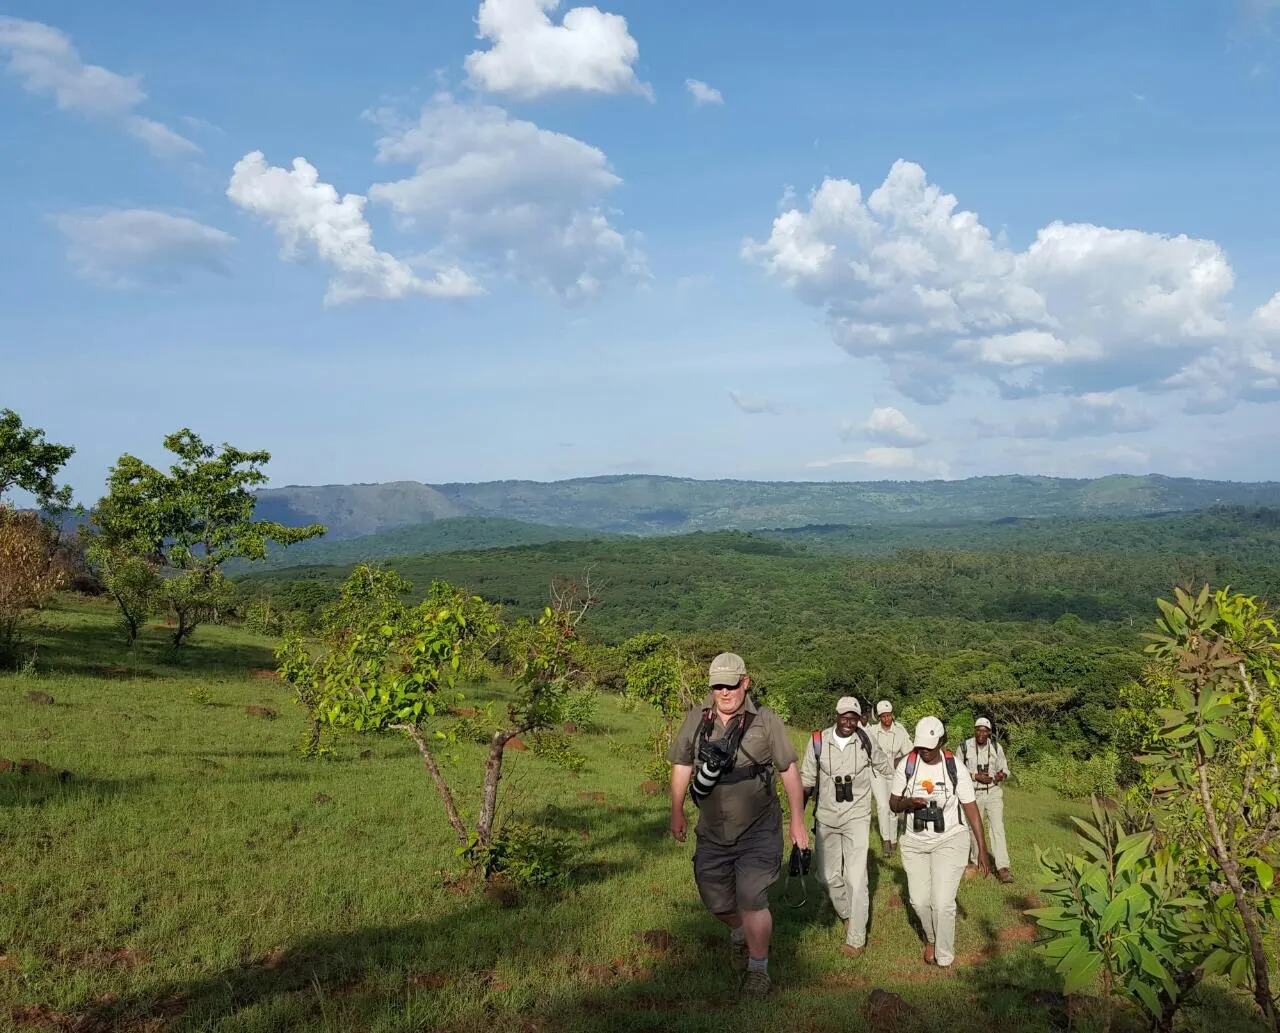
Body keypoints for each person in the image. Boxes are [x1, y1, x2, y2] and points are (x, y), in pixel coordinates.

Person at [668, 652, 809, 998]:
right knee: (714, 898)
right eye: (717, 686)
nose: (724, 692)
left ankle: (758, 970)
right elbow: (683, 764)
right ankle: (738, 933)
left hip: (759, 827)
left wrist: (798, 822)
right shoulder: (697, 720)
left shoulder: (766, 720)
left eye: (731, 685)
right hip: (714, 829)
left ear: (745, 683)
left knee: (753, 898)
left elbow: (788, 770)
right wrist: (676, 810)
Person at [890, 716, 991, 968]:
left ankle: (945, 958)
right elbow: (893, 804)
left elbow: (971, 808)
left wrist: (982, 850)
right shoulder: (908, 764)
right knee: (919, 901)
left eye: (929, 747)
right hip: (915, 841)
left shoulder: (954, 768)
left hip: (950, 839)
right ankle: (932, 938)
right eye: (920, 746)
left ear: (942, 742)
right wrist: (910, 803)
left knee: (943, 902)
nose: (924, 751)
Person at [800, 697, 894, 958]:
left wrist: (911, 774)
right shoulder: (818, 741)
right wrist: (797, 815)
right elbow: (807, 779)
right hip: (826, 816)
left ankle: (856, 938)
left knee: (856, 877)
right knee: (827, 877)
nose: (849, 722)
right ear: (837, 715)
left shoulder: (865, 740)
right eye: (844, 717)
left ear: (858, 718)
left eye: (853, 717)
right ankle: (849, 914)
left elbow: (886, 768)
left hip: (857, 816)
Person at [962, 718, 1013, 883]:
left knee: (997, 828)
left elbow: (1005, 768)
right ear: (974, 730)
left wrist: (1001, 775)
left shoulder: (996, 747)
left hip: (993, 791)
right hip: (973, 794)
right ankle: (977, 861)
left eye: (985, 730)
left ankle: (1002, 867)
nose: (981, 734)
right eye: (978, 730)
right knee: (974, 828)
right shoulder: (964, 747)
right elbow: (956, 771)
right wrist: (975, 776)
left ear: (989, 732)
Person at [868, 700, 913, 858]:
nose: (887, 719)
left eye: (889, 716)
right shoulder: (872, 731)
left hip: (895, 772)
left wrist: (900, 762)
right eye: (883, 716)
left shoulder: (900, 731)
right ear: (879, 717)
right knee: (882, 806)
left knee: (894, 806)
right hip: (877, 772)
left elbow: (909, 752)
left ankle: (894, 840)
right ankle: (886, 840)